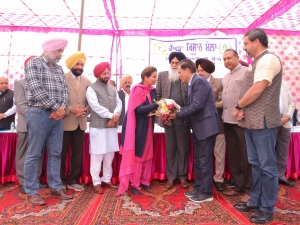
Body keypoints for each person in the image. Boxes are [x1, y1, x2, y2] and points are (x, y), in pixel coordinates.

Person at [233, 28, 282, 224]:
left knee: (267, 167)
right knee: (256, 165)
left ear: (257, 42)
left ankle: (267, 208)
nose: (244, 48)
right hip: (252, 122)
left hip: (263, 121)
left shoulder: (268, 60)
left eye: (245, 43)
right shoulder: (258, 62)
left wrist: (238, 106)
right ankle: (255, 200)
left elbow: (257, 89)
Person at [24, 38, 73, 206]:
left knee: (56, 153)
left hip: (58, 116)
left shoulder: (59, 69)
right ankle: (31, 191)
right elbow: (36, 88)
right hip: (39, 113)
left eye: (61, 51)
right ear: (49, 49)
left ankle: (55, 187)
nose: (60, 54)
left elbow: (65, 91)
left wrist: (63, 108)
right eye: (58, 51)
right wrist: (55, 107)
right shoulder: (34, 63)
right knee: (34, 154)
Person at [170, 59, 219, 203]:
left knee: (204, 160)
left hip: (206, 127)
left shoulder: (199, 82)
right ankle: (199, 188)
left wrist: (177, 113)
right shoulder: (193, 82)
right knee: (198, 160)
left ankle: (206, 193)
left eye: (179, 72)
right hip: (199, 128)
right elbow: (192, 106)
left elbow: (196, 106)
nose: (179, 76)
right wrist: (176, 110)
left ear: (187, 70)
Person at [116, 66, 158, 195]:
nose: (156, 79)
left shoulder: (152, 90)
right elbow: (139, 110)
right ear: (146, 77)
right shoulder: (137, 89)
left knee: (147, 152)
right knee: (139, 154)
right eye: (154, 76)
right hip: (138, 127)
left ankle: (145, 180)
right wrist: (156, 105)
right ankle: (135, 183)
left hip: (149, 125)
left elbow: (154, 108)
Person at [86, 62, 122, 194]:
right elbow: (95, 106)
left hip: (111, 127)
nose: (107, 76)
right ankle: (96, 182)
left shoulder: (112, 89)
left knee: (109, 154)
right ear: (98, 75)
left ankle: (106, 179)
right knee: (97, 155)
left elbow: (119, 103)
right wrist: (112, 116)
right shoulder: (91, 88)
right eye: (104, 73)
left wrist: (116, 115)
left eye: (108, 73)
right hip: (98, 127)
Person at [156, 52, 190, 189]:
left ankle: (182, 177)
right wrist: (162, 115)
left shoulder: (186, 76)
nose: (175, 65)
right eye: (173, 63)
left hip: (183, 118)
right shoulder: (163, 75)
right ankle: (171, 177)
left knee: (183, 149)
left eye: (177, 63)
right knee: (170, 149)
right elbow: (158, 96)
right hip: (167, 119)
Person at [222, 49, 252, 203]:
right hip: (227, 121)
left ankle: (249, 188)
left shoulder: (247, 72)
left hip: (242, 121)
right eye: (224, 59)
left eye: (229, 58)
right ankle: (238, 185)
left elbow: (251, 95)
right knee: (233, 155)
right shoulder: (226, 76)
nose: (226, 61)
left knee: (246, 156)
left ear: (237, 57)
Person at [14, 57, 48, 194]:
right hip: (26, 126)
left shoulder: (44, 84)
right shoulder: (20, 83)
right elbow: (21, 105)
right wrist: (36, 118)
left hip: (41, 126)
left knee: (38, 153)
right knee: (24, 154)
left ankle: (35, 180)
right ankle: (23, 182)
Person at [61, 51, 91, 191]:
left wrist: (84, 110)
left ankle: (73, 180)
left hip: (81, 122)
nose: (79, 66)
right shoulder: (62, 78)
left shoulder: (87, 82)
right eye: (77, 63)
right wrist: (70, 109)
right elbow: (57, 100)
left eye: (82, 64)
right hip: (64, 122)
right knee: (61, 153)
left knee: (78, 153)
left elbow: (91, 102)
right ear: (71, 64)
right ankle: (60, 181)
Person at [195, 58, 226, 192]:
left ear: (209, 70)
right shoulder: (195, 82)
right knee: (204, 156)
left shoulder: (219, 82)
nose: (200, 73)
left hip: (217, 123)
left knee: (219, 154)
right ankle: (203, 181)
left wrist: (208, 105)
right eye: (198, 70)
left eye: (202, 70)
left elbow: (223, 101)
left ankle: (218, 179)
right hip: (201, 125)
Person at [276, 80, 295, 187]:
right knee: (269, 153)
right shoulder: (264, 82)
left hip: (285, 122)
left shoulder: (284, 83)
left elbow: (291, 102)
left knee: (282, 153)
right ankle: (272, 180)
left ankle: (280, 176)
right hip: (270, 123)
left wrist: (287, 117)